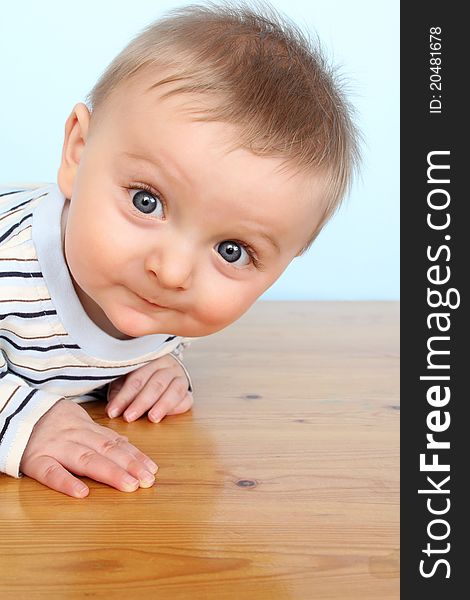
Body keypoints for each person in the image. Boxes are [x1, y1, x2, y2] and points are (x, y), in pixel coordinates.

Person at [0, 1, 360, 498]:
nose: (172, 273)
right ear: (78, 153)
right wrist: (25, 420)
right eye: (147, 202)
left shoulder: (151, 296)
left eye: (231, 251)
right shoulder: (10, 265)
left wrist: (159, 362)